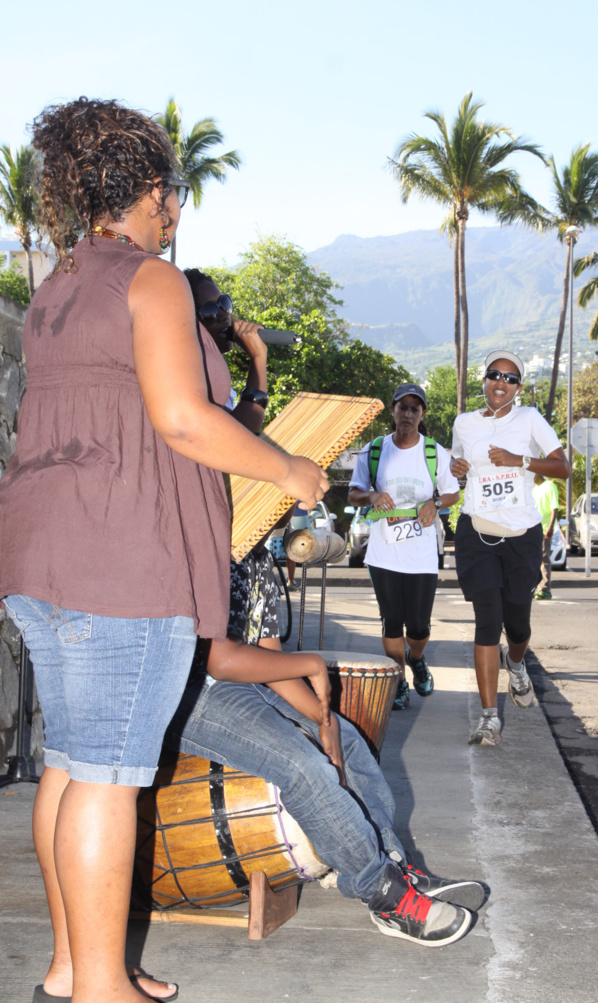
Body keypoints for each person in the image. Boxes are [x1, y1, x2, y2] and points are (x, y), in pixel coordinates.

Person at [0, 97, 327, 1003]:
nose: (177, 206)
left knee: (71, 763)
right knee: (108, 777)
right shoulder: (152, 281)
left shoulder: (59, 286)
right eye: (173, 189)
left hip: (41, 555)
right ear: (152, 191)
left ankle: (74, 967)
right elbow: (183, 420)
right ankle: (102, 987)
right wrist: (290, 468)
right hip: (120, 561)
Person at [167, 551, 487, 948]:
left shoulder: (258, 556)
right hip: (184, 691)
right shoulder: (204, 542)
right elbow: (221, 662)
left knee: (347, 739)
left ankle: (391, 862)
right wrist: (314, 667)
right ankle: (382, 893)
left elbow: (270, 659)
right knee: (304, 766)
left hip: (240, 682)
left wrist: (325, 719)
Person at [450, 351, 570, 747]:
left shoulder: (530, 419)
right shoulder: (464, 423)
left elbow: (563, 467)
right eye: (494, 374)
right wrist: (456, 468)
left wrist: (521, 460)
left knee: (517, 623)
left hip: (521, 535)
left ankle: (515, 663)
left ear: (518, 387)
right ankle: (489, 718)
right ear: (484, 380)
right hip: (477, 532)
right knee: (487, 620)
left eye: (511, 378)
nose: (501, 382)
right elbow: (457, 462)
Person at [347, 384, 460, 710]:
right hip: (383, 552)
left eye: (415, 408)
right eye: (403, 407)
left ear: (422, 414)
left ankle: (417, 657)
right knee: (391, 620)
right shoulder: (374, 450)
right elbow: (354, 492)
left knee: (419, 626)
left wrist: (435, 503)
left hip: (422, 554)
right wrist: (371, 496)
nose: (408, 414)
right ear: (393, 410)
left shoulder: (434, 452)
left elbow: (452, 492)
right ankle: (398, 680)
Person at [532, 473, 560, 600]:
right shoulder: (535, 489)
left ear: (537, 473)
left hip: (544, 529)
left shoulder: (550, 486)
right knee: (534, 560)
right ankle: (536, 588)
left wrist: (551, 527)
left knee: (544, 559)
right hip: (534, 528)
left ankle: (545, 589)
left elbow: (555, 508)